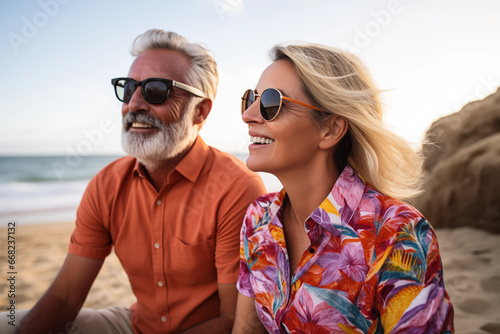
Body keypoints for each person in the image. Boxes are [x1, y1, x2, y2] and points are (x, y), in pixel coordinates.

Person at [5, 29, 266, 334]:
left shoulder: (236, 187)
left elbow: (233, 320)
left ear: (200, 111)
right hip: (134, 324)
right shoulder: (106, 185)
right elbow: (64, 298)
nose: (135, 104)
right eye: (128, 89)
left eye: (156, 90)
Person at [232, 43, 454, 333]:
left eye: (270, 103)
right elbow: (247, 327)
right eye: (251, 98)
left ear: (331, 130)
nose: (248, 114)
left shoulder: (398, 234)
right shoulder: (257, 219)